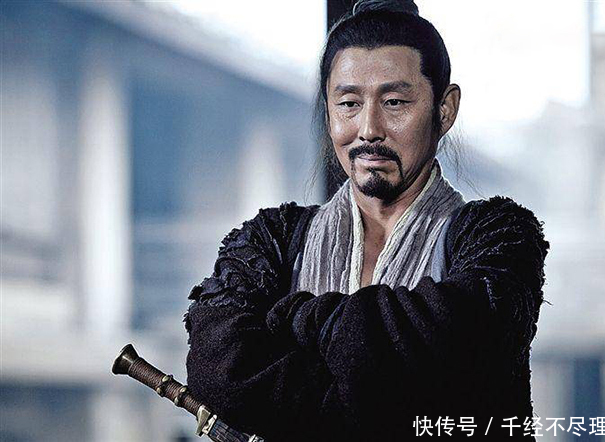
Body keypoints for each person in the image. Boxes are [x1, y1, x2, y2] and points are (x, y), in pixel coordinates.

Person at [184, 1, 549, 440]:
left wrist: (296, 317)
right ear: (328, 112)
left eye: (395, 102)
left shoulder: (499, 236)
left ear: (445, 109)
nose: (369, 128)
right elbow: (217, 369)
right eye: (349, 103)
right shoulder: (272, 239)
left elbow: (457, 347)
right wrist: (379, 387)